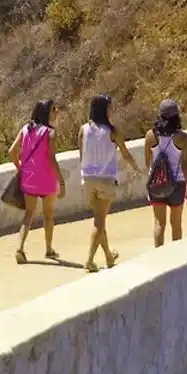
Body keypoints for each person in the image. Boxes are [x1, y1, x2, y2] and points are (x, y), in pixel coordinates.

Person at [78, 94, 141, 272]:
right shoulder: (113, 131)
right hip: (105, 179)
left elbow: (82, 154)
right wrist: (136, 167)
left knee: (99, 220)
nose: (111, 110)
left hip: (88, 179)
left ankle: (108, 256)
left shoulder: (83, 129)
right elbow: (125, 153)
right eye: (109, 107)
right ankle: (89, 260)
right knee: (99, 222)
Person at [9, 99, 65, 264]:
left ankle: (20, 248)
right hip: (46, 178)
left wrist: (20, 168)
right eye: (53, 110)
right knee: (48, 215)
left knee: (28, 215)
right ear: (47, 113)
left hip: (29, 178)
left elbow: (12, 151)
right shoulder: (50, 133)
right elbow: (51, 158)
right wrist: (61, 181)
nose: (56, 112)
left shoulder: (25, 129)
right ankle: (49, 249)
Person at [144, 97, 187, 247]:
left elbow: (148, 162)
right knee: (176, 224)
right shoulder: (183, 139)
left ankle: (158, 254)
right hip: (177, 184)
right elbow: (185, 164)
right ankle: (176, 256)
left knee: (159, 223)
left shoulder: (150, 135)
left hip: (156, 184)